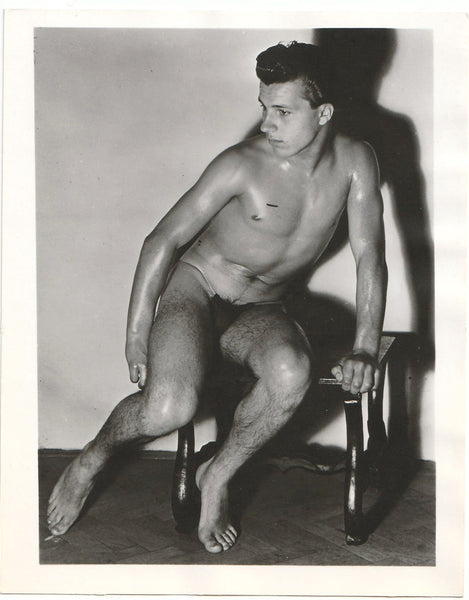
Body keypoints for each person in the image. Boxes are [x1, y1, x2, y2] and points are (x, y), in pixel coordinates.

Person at [47, 41, 387, 554]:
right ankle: (90, 459)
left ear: (324, 114)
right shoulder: (242, 164)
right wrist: (136, 334)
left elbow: (370, 256)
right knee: (169, 408)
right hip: (198, 291)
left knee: (291, 370)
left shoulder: (357, 163)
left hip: (261, 309)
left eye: (282, 111)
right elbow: (161, 240)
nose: (267, 123)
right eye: (263, 107)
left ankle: (218, 475)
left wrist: (364, 346)